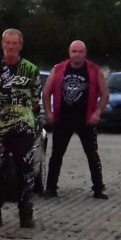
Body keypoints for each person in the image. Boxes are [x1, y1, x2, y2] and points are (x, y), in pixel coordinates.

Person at [42, 40, 110, 199]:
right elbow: (46, 93)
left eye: (80, 51)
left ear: (85, 53)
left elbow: (105, 95)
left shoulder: (94, 70)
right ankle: (51, 187)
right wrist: (48, 112)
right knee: (56, 154)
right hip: (63, 118)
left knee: (92, 154)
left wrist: (97, 113)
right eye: (74, 51)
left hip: (85, 119)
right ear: (69, 53)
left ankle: (98, 188)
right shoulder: (59, 69)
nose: (77, 55)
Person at [0, 29, 41, 228]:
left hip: (23, 129)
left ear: (20, 45)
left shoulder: (30, 69)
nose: (10, 47)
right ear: (2, 44)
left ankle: (25, 213)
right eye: (7, 43)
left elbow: (36, 100)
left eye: (14, 43)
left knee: (26, 171)